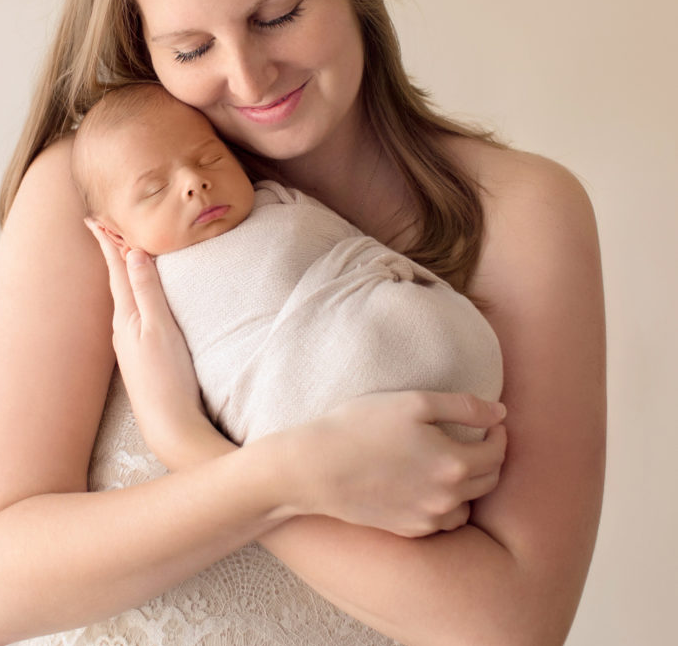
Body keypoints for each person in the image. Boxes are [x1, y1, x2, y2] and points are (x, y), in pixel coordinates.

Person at [0, 0, 605, 646]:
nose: (247, 77)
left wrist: (196, 448)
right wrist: (284, 475)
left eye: (276, 15)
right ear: (142, 42)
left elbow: (507, 640)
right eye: (190, 48)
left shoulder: (520, 213)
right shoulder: (93, 196)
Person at [71, 81, 503, 446]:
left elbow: (352, 251)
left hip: (434, 352)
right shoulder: (154, 289)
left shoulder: (278, 202)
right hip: (304, 406)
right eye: (154, 190)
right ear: (115, 233)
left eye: (210, 159)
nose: (193, 182)